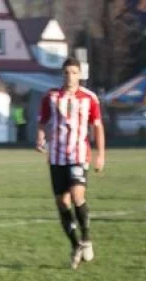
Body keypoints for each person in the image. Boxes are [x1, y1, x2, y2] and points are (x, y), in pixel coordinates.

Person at [36, 57, 106, 269]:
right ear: (62, 74)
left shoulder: (89, 98)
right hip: (56, 157)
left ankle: (86, 238)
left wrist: (100, 154)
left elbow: (97, 127)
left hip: (78, 155)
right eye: (66, 72)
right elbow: (42, 121)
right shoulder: (51, 96)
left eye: (74, 72)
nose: (70, 76)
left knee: (77, 196)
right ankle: (75, 245)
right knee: (62, 202)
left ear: (80, 74)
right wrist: (40, 136)